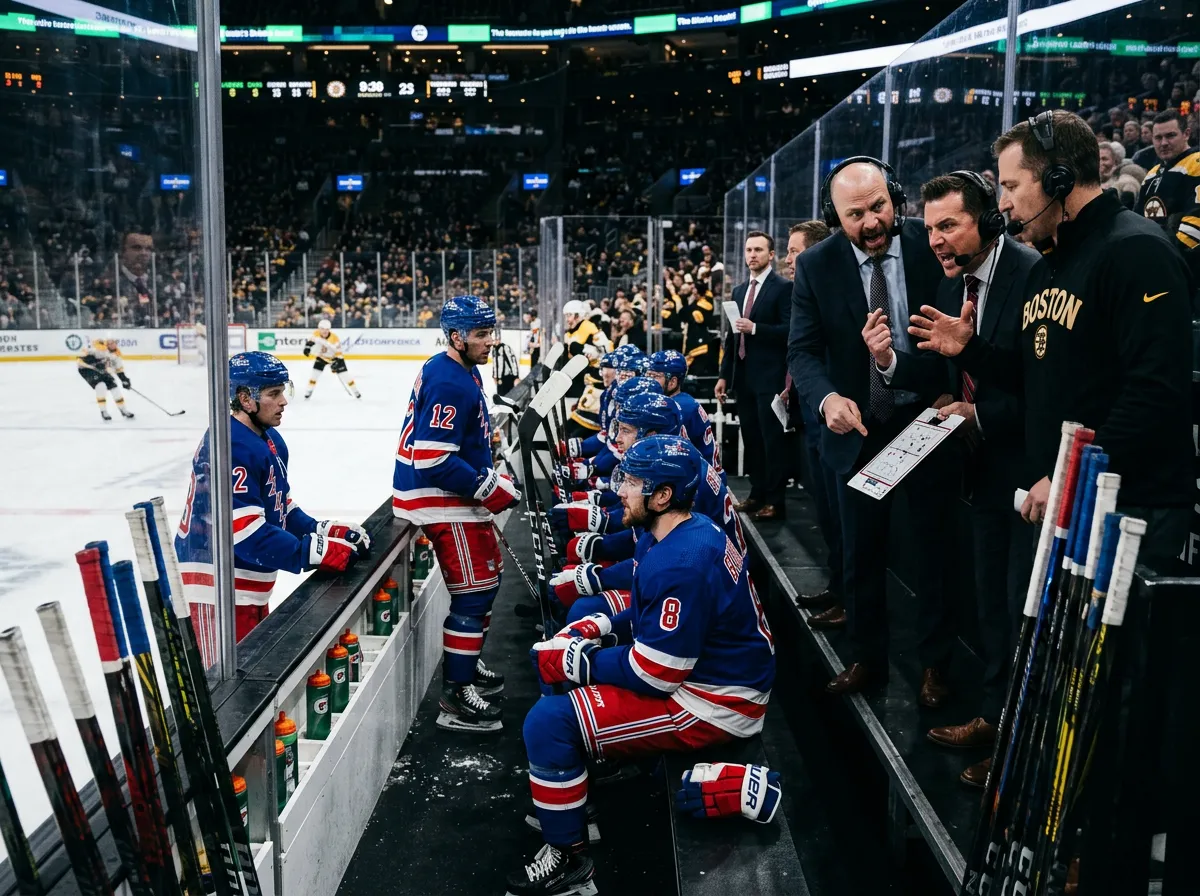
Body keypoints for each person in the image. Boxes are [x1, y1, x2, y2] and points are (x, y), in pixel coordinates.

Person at [910, 109, 1193, 561]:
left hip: (1130, 503)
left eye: (1011, 186)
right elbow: (1036, 373)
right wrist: (972, 350)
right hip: (1064, 495)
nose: (1003, 204)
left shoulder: (1137, 252)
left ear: (1059, 179)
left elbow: (1154, 392)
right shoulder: (1047, 267)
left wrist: (1067, 475)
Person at [509, 435, 775, 895]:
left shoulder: (682, 559)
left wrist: (580, 660)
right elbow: (651, 614)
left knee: (547, 723)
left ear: (663, 495)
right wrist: (601, 624)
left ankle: (571, 863)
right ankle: (576, 798)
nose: (620, 489)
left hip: (717, 701)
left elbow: (656, 672)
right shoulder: (678, 534)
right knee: (562, 677)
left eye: (632, 481)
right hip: (709, 676)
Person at [884, 172, 1041, 788]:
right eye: (930, 230)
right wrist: (896, 365)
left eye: (949, 225)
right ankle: (994, 718)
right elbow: (953, 366)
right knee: (995, 606)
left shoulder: (1029, 274)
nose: (938, 241)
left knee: (1019, 610)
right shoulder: (961, 283)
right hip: (981, 472)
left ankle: (1018, 752)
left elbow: (1042, 391)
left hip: (1029, 477)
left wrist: (981, 411)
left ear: (988, 219)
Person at [787, 157, 952, 699]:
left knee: (932, 548)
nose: (871, 222)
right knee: (860, 552)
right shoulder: (816, 264)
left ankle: (936, 665)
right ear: (835, 217)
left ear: (895, 198)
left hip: (926, 418)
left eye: (879, 206)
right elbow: (804, 352)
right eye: (855, 214)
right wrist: (827, 397)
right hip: (856, 426)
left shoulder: (935, 248)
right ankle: (866, 658)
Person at [175, 352, 369, 666]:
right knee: (228, 700)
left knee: (252, 687)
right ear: (244, 398)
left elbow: (281, 507)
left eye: (283, 391)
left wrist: (322, 530)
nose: (283, 401)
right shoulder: (229, 446)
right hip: (214, 596)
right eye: (273, 394)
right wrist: (316, 552)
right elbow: (249, 536)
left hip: (245, 591)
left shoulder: (269, 439)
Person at [392, 296, 520, 733]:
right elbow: (432, 457)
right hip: (440, 500)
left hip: (451, 497)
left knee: (487, 581)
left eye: (491, 331)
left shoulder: (458, 369)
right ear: (457, 336)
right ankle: (455, 695)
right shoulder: (450, 380)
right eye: (482, 334)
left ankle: (466, 662)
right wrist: (491, 488)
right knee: (474, 594)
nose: (491, 341)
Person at [551, 395, 747, 622]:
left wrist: (598, 581)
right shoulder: (672, 464)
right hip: (706, 578)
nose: (618, 438)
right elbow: (643, 541)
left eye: (625, 430)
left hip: (708, 598)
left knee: (584, 609)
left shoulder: (680, 482)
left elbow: (659, 562)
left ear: (651, 435)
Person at [781, 221, 845, 624]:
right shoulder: (805, 293)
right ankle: (837, 586)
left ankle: (846, 597)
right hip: (811, 418)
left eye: (793, 251)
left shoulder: (830, 296)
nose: (787, 259)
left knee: (841, 519)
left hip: (832, 423)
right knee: (826, 514)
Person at [716, 231, 793, 521]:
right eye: (749, 249)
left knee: (772, 440)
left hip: (771, 378)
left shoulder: (783, 288)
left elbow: (790, 331)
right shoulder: (738, 291)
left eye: (758, 250)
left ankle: (776, 500)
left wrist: (757, 328)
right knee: (752, 438)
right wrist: (724, 375)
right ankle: (757, 493)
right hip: (743, 378)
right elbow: (731, 338)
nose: (752, 255)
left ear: (771, 255)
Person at [647, 349, 721, 472]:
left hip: (700, 479)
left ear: (672, 382)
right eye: (648, 375)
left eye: (655, 376)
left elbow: (661, 455)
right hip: (699, 473)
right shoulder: (681, 401)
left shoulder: (676, 408)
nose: (648, 381)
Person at [77, 334, 135, 421]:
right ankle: (103, 411)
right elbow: (79, 360)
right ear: (106, 344)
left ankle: (123, 410)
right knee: (100, 386)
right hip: (86, 370)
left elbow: (119, 369)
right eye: (110, 343)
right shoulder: (98, 349)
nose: (113, 345)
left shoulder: (116, 355)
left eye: (114, 343)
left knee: (114, 387)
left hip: (101, 370)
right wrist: (92, 364)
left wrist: (124, 380)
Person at [302, 319, 361, 400]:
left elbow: (339, 353)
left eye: (327, 329)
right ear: (319, 329)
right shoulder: (316, 333)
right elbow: (311, 341)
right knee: (314, 376)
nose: (324, 331)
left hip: (334, 358)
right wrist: (307, 347)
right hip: (322, 358)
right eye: (322, 329)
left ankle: (355, 391)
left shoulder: (334, 338)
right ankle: (309, 391)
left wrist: (336, 362)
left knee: (346, 376)